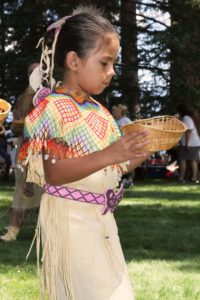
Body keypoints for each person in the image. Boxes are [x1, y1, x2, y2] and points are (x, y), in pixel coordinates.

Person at [17, 7, 151, 300]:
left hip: (102, 224)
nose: (112, 71)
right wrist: (111, 155)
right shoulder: (52, 109)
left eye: (113, 63)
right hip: (71, 225)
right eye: (104, 63)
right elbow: (54, 172)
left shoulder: (99, 112)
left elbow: (113, 166)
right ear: (73, 61)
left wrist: (139, 150)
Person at [0, 63, 43, 242]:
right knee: (24, 190)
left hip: (48, 151)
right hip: (27, 150)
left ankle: (49, 230)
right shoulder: (25, 97)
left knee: (50, 193)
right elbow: (17, 126)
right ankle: (12, 232)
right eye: (34, 71)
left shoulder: (52, 95)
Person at [177, 104, 200, 183]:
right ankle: (194, 178)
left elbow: (188, 131)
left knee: (182, 159)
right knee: (193, 160)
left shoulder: (186, 118)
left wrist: (187, 143)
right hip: (195, 142)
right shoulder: (191, 117)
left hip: (190, 142)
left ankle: (181, 178)